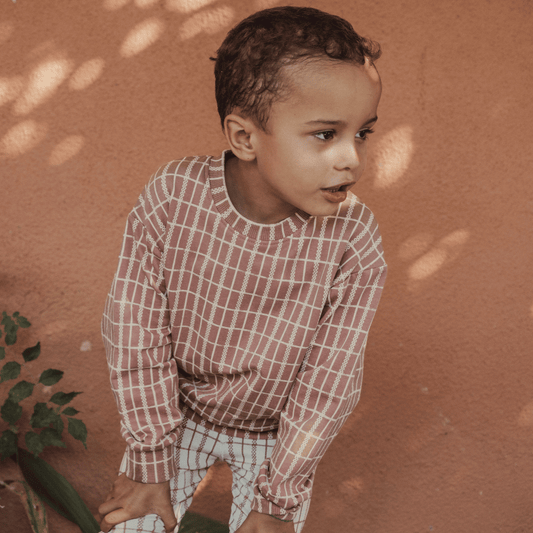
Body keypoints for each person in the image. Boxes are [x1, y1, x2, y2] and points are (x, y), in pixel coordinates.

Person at [98, 6, 387, 533]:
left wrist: (277, 501)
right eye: (326, 134)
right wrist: (148, 460)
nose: (351, 158)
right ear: (245, 137)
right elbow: (135, 328)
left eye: (362, 133)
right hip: (175, 417)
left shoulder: (354, 240)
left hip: (279, 441)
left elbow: (330, 383)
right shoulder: (174, 197)